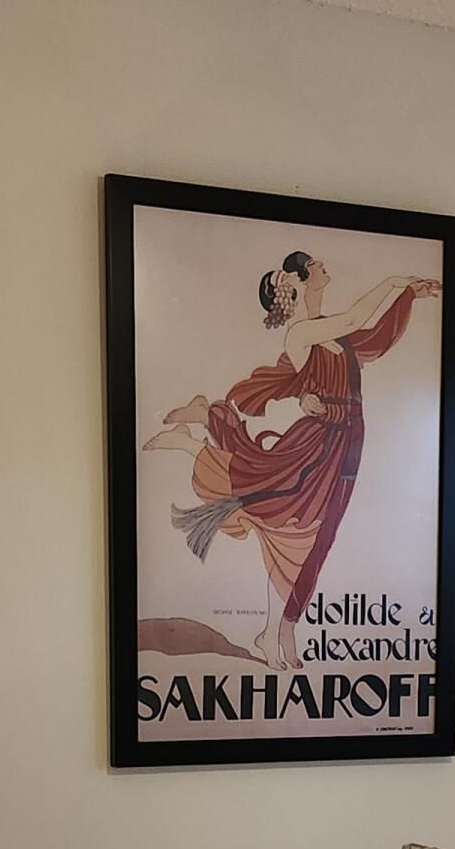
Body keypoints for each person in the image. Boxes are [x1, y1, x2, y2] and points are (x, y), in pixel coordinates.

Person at [145, 252, 439, 671]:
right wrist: (395, 280)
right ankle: (192, 440)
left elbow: (376, 336)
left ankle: (279, 628)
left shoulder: (336, 335)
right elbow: (356, 319)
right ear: (301, 281)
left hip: (349, 440)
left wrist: (408, 295)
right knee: (289, 526)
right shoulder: (301, 334)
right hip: (317, 445)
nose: (324, 266)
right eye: (315, 264)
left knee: (320, 540)